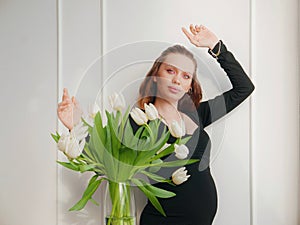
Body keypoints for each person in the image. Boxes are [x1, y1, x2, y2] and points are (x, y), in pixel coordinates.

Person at [57, 24, 255, 225]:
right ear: (156, 75)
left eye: (186, 76)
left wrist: (215, 45)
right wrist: (75, 125)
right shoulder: (138, 123)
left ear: (189, 86)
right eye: (170, 70)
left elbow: (244, 88)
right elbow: (108, 163)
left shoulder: (197, 115)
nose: (177, 80)